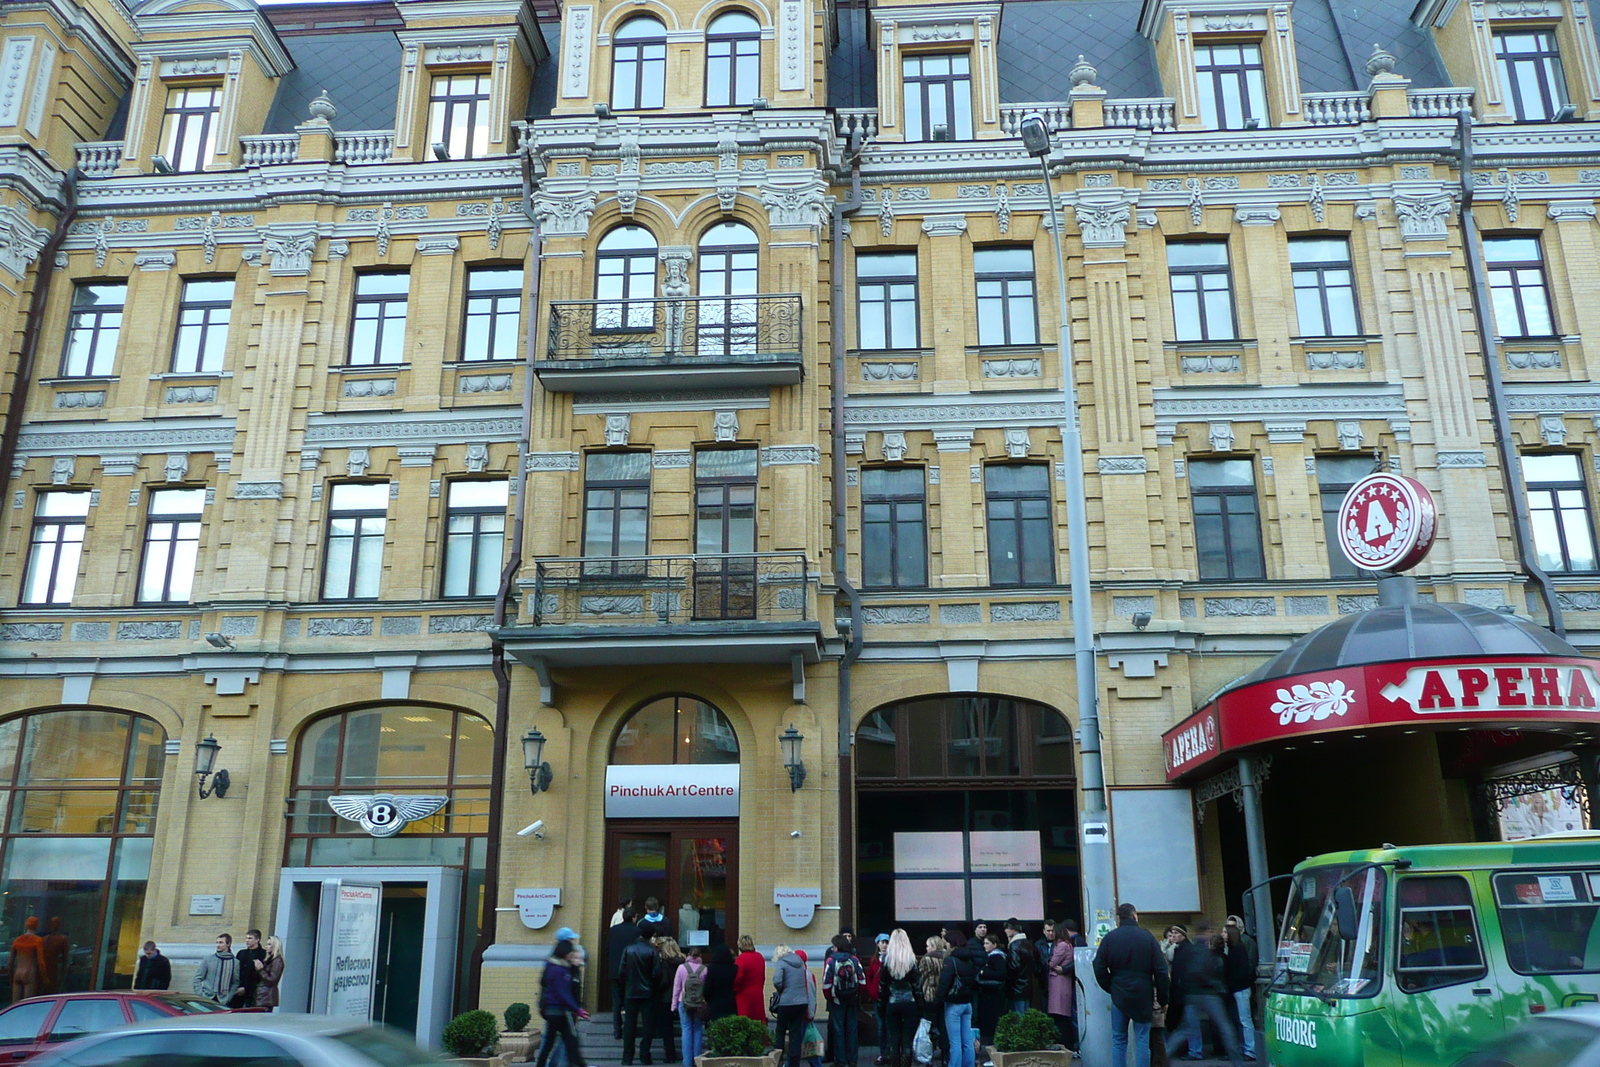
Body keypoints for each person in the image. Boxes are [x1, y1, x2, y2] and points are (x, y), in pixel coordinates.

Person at [1092, 904, 1169, 1067]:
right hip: (1143, 994)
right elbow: (1161, 971)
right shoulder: (1147, 937)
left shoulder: (1110, 938)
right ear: (1134, 916)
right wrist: (1163, 999)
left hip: (1119, 993)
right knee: (1142, 1040)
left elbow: (1098, 965)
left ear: (1120, 917)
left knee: (1119, 1039)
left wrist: (1110, 986)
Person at [1165, 922, 1243, 1067]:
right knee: (1225, 1027)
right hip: (1208, 993)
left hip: (1192, 994)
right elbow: (1201, 971)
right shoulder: (1203, 949)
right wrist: (1216, 985)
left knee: (1185, 1029)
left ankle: (1165, 1056)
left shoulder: (1192, 948)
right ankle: (1238, 1062)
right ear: (1206, 931)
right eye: (1211, 931)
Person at [537, 939, 591, 1067]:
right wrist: (577, 1009)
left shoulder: (550, 966)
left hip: (550, 1009)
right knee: (571, 1039)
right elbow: (563, 993)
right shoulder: (560, 970)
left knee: (550, 1042)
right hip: (561, 1011)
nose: (571, 954)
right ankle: (579, 1064)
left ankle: (541, 1065)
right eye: (570, 952)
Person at [936, 928, 981, 1067]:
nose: (945, 946)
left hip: (953, 1005)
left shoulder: (950, 960)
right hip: (967, 1003)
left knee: (955, 1042)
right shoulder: (970, 959)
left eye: (947, 943)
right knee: (967, 1041)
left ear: (952, 943)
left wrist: (936, 1001)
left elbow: (944, 984)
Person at [878, 930, 920, 1067]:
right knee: (907, 1040)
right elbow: (917, 987)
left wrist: (881, 1007)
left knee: (894, 1040)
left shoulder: (886, 962)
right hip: (910, 1003)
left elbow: (882, 988)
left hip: (892, 1003)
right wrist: (922, 1007)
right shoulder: (912, 961)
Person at [621, 921, 660, 1065]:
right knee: (648, 1026)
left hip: (631, 992)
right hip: (648, 993)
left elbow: (621, 972)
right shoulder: (652, 951)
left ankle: (627, 1057)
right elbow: (657, 974)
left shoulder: (628, 950)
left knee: (629, 1026)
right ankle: (645, 1055)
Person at [824, 933, 866, 1067]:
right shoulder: (854, 959)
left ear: (837, 946)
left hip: (837, 1000)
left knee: (838, 1029)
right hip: (852, 998)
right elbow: (862, 980)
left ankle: (840, 1061)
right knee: (852, 1029)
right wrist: (858, 994)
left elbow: (826, 983)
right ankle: (852, 1059)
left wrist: (830, 997)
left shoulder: (831, 960)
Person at [773, 945, 815, 1067]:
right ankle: (794, 1064)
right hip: (801, 1002)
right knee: (795, 1034)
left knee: (780, 1031)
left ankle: (778, 1061)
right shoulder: (800, 962)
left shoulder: (782, 963)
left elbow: (777, 980)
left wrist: (781, 990)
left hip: (786, 1002)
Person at [1223, 919, 1256, 1061]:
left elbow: (1241, 970)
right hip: (1238, 988)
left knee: (1244, 1020)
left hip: (1240, 988)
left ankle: (1251, 1050)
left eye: (1225, 932)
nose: (1222, 934)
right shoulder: (1234, 948)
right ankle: (1246, 1048)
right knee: (1241, 1019)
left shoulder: (1237, 949)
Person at [650, 936, 684, 1065]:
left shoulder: (664, 962)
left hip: (666, 998)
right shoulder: (683, 961)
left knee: (667, 1029)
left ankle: (670, 1055)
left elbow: (664, 981)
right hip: (682, 997)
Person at [917, 936, 950, 1067]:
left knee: (929, 1027)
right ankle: (945, 1056)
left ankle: (928, 1057)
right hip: (943, 995)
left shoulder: (926, 959)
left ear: (933, 946)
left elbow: (921, 976)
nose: (926, 948)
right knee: (944, 1026)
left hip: (929, 996)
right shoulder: (946, 957)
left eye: (928, 945)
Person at [674, 947, 709, 1067]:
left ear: (688, 954)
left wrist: (674, 1005)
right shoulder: (704, 969)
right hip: (699, 1004)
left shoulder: (682, 968)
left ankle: (687, 1062)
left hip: (684, 1003)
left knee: (686, 1030)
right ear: (700, 956)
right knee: (698, 1030)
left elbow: (677, 988)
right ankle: (698, 1060)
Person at [610, 907, 641, 1039]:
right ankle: (629, 1029)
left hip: (615, 971)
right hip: (631, 971)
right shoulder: (637, 931)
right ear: (634, 917)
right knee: (630, 1001)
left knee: (616, 1001)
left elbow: (607, 949)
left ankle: (617, 1029)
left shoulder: (613, 930)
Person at [1046, 924, 1077, 1052]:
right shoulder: (1068, 944)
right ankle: (1067, 1043)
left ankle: (1064, 1044)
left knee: (1060, 1015)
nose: (1051, 933)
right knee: (1062, 1016)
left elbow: (1053, 962)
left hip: (1059, 983)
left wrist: (1048, 962)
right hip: (1064, 982)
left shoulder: (1062, 945)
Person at [975, 933, 1009, 1052]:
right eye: (984, 943)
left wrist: (984, 973)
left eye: (987, 943)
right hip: (991, 995)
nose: (985, 946)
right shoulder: (991, 956)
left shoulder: (997, 957)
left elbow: (1001, 974)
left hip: (994, 995)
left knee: (994, 1022)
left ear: (994, 945)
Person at [194, 933, 242, 1005]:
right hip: (207, 997)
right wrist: (200, 994)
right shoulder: (208, 959)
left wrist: (229, 997)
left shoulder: (235, 962)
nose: (218, 945)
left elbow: (235, 982)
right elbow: (197, 978)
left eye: (221, 942)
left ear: (228, 944)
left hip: (223, 1000)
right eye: (217, 942)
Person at [1004, 920, 1037, 1016]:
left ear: (1013, 929)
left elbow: (1014, 967)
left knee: (1017, 1019)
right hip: (1027, 985)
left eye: (1007, 928)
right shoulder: (1028, 944)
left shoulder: (1014, 945)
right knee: (1025, 1017)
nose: (1005, 931)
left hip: (1016, 988)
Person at [734, 935, 767, 1021]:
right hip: (758, 993)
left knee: (744, 1021)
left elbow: (737, 979)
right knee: (758, 1020)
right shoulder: (760, 957)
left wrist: (734, 990)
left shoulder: (741, 959)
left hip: (744, 995)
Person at [10, 917, 43, 1002]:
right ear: (37, 926)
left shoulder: (17, 940)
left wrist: (10, 976)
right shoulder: (37, 940)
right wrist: (45, 978)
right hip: (29, 973)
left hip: (18, 973)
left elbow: (10, 961)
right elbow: (41, 961)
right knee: (27, 1004)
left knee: (15, 1004)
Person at [704, 942, 740, 1022]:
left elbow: (707, 988)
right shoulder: (735, 968)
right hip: (731, 1002)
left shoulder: (712, 968)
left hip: (715, 1003)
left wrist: (707, 999)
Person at [867, 934, 888, 1065]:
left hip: (890, 997)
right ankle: (883, 1053)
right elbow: (869, 977)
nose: (884, 945)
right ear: (877, 944)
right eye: (882, 942)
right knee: (881, 1026)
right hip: (878, 997)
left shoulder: (893, 958)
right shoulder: (873, 960)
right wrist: (872, 991)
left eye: (886, 942)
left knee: (891, 1026)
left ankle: (892, 1052)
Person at [235, 929, 266, 1008]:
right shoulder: (241, 953)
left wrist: (246, 988)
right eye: (246, 938)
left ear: (257, 940)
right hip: (238, 988)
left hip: (254, 991)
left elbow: (258, 975)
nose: (247, 940)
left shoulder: (263, 954)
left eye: (250, 938)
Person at [254, 936, 284, 1008]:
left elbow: (272, 979)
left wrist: (260, 970)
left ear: (275, 946)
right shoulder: (270, 959)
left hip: (266, 997)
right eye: (267, 944)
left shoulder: (277, 961)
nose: (266, 946)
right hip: (262, 995)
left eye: (269, 944)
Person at [41, 918, 69, 994]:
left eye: (56, 923)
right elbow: (65, 958)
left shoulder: (61, 939)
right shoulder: (44, 939)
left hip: (54, 969)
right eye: (53, 923)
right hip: (48, 968)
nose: (55, 925)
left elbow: (65, 958)